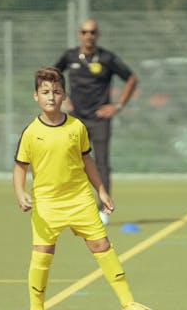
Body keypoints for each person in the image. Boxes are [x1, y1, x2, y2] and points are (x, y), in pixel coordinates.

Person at [13, 67, 152, 310]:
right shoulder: (31, 132)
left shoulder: (76, 127)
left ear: (64, 95)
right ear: (35, 96)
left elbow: (87, 161)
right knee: (42, 254)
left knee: (102, 246)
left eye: (56, 91)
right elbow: (20, 166)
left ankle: (128, 304)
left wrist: (101, 190)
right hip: (46, 204)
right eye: (45, 92)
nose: (51, 97)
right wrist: (20, 192)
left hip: (80, 200)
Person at [52, 19, 138, 222]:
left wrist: (117, 106)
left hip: (99, 119)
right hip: (75, 119)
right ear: (79, 34)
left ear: (98, 34)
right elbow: (52, 75)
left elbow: (132, 78)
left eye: (92, 32)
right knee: (69, 161)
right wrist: (64, 98)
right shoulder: (70, 56)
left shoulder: (107, 58)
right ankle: (69, 205)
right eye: (85, 32)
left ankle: (103, 210)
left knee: (101, 164)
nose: (88, 35)